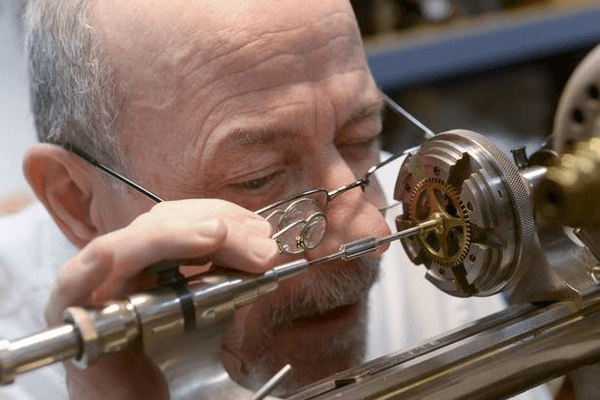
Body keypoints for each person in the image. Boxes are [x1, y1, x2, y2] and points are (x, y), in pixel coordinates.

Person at [0, 0, 553, 398]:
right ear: (77, 201)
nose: (370, 236)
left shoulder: (432, 244)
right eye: (258, 177)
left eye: (359, 139)